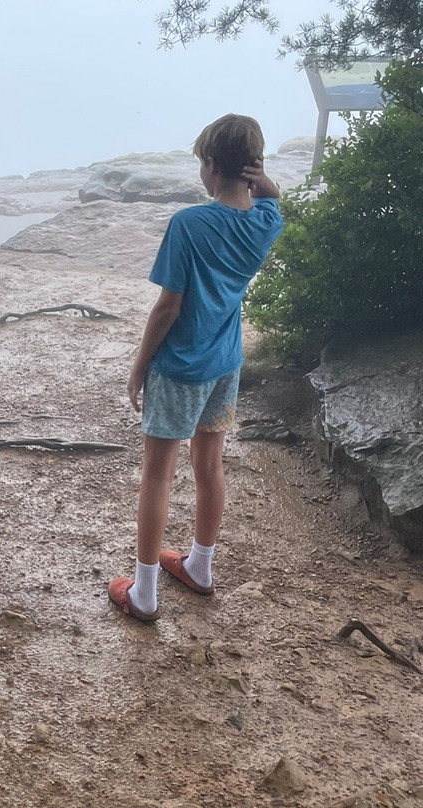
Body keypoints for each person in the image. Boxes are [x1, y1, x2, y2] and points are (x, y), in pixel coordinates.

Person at [108, 113, 283, 622]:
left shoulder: (189, 223)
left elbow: (168, 305)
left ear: (209, 165)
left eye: (201, 164)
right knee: (209, 465)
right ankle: (199, 566)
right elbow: (274, 199)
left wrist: (140, 364)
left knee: (157, 476)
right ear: (251, 166)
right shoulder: (263, 221)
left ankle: (143, 593)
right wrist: (263, 179)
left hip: (181, 367)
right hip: (225, 365)